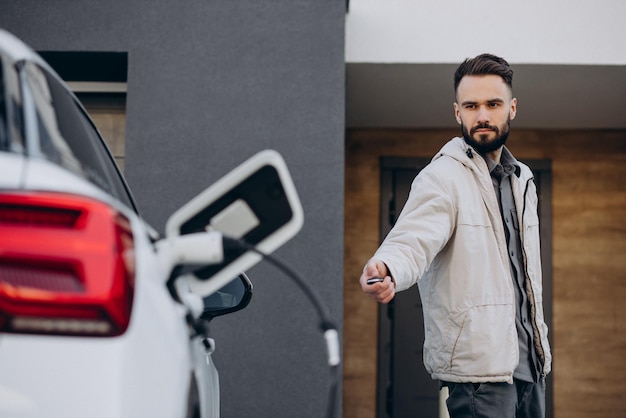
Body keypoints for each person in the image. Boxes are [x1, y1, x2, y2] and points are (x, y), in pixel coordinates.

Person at [359, 53, 552, 418]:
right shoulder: (442, 177)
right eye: (471, 105)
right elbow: (412, 238)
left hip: (531, 369)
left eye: (493, 104)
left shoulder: (523, 180)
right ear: (457, 113)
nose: (482, 115)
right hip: (479, 376)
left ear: (512, 108)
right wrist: (388, 266)